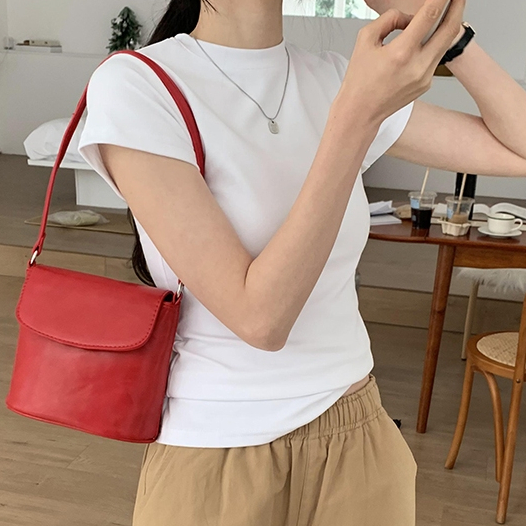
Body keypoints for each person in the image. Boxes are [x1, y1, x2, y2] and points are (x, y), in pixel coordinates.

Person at [77, 0, 526, 524]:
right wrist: (356, 116)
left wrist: (446, 33)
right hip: (216, 455)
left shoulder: (333, 78)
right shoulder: (137, 84)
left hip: (359, 441)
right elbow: (260, 320)